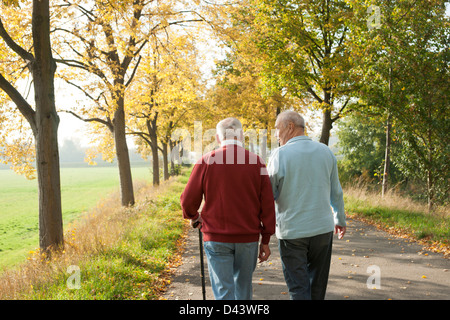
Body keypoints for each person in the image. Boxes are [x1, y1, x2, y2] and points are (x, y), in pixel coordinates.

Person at [180, 117, 276, 300]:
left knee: (224, 292)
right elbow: (268, 204)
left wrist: (193, 216)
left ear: (218, 137)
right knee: (243, 289)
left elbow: (187, 200)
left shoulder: (206, 161)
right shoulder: (258, 163)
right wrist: (266, 238)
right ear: (241, 136)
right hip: (247, 238)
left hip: (216, 237)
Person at [267, 110, 346, 300]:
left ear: (290, 127)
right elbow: (336, 191)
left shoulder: (279, 155)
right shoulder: (326, 151)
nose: (276, 135)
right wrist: (339, 219)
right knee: (317, 288)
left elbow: (268, 194)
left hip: (292, 232)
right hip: (322, 230)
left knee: (298, 288)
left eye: (277, 129)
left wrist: (263, 227)